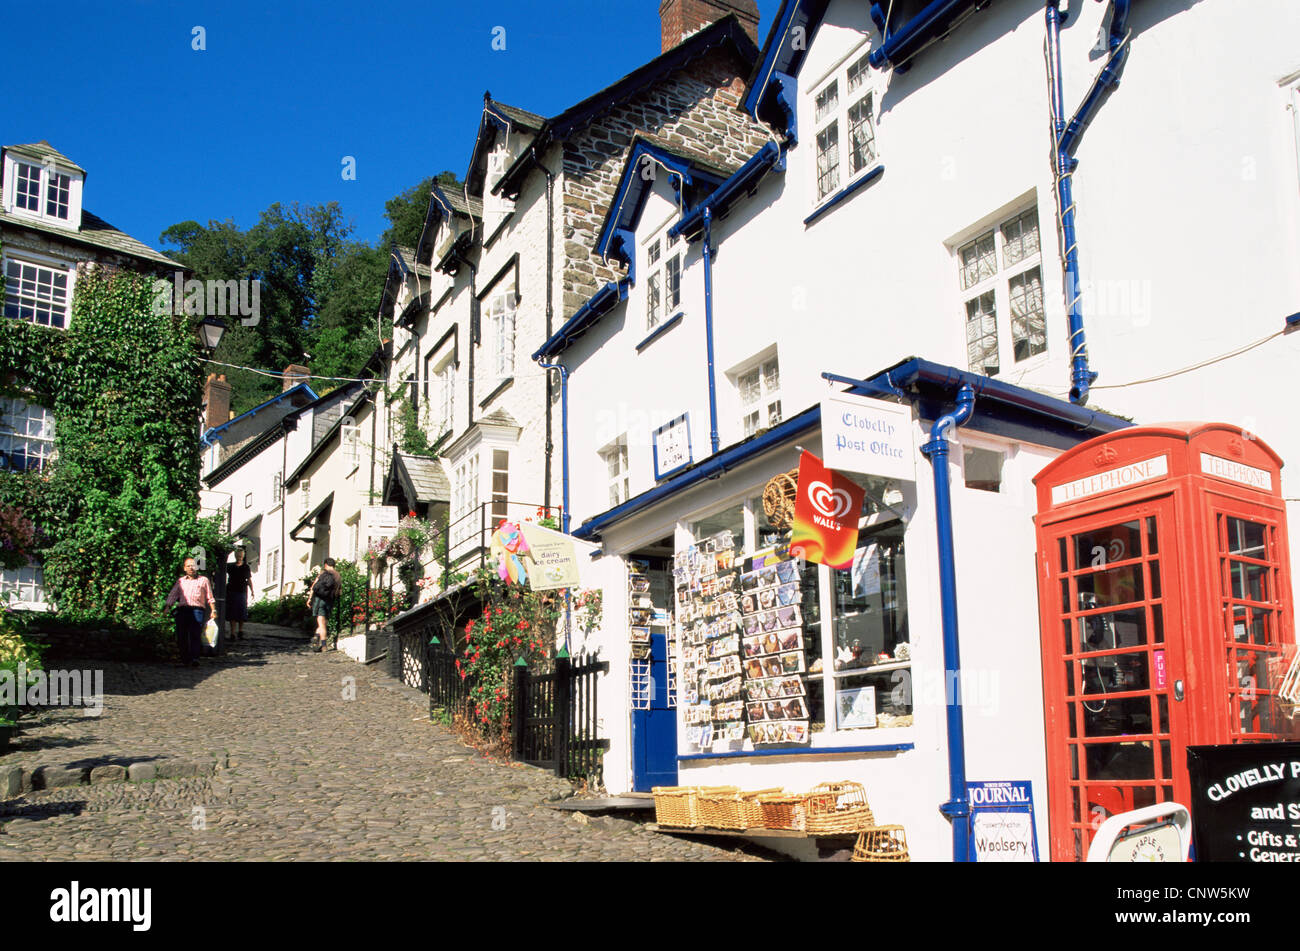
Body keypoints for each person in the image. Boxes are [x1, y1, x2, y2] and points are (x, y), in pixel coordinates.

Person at [164, 557, 216, 667]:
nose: (191, 568)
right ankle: (185, 659)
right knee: (181, 635)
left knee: (195, 635)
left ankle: (195, 658)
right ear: (184, 568)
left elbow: (209, 596)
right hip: (183, 610)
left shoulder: (203, 580)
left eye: (193, 565)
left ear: (197, 567)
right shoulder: (181, 581)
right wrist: (168, 607)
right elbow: (173, 594)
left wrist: (213, 610)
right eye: (188, 566)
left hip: (197, 610)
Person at [306, 557, 340, 652]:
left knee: (321, 623)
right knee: (324, 622)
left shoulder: (323, 573)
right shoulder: (337, 575)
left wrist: (309, 599)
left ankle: (324, 645)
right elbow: (338, 591)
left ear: (325, 565)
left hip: (320, 600)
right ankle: (316, 636)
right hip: (330, 601)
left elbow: (314, 587)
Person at [224, 548, 254, 642]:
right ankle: (232, 633)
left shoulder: (246, 567)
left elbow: (249, 579)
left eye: (241, 556)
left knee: (242, 611)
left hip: (242, 591)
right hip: (231, 590)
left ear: (243, 556)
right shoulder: (230, 566)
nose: (239, 557)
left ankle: (240, 631)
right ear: (235, 556)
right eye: (238, 556)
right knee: (232, 612)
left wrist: (252, 590)